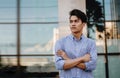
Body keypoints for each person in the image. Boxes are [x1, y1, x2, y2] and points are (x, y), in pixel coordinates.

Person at [54, 9, 97, 78]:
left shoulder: (91, 43)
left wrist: (67, 58)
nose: (73, 24)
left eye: (76, 21)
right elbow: (59, 65)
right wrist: (82, 58)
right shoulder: (60, 43)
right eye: (71, 21)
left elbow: (92, 65)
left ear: (83, 24)